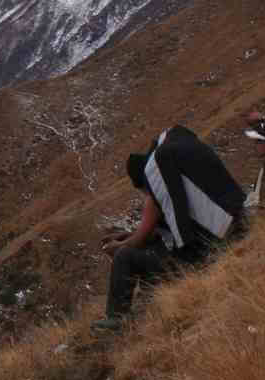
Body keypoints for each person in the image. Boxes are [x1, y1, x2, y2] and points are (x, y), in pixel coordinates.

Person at [94, 125, 248, 331]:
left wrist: (117, 246)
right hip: (223, 233)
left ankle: (116, 318)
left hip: (198, 256)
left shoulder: (155, 191)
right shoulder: (177, 174)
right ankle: (148, 303)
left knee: (126, 257)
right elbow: (155, 231)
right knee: (149, 253)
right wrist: (129, 236)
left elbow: (140, 238)